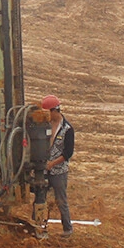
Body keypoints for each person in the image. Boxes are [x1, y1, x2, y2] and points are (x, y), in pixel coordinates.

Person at [36, 94, 75, 238]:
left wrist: (52, 164)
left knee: (61, 200)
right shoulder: (43, 126)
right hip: (44, 169)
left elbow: (68, 153)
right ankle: (39, 227)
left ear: (54, 111)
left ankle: (67, 229)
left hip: (59, 171)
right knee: (40, 198)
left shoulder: (67, 129)